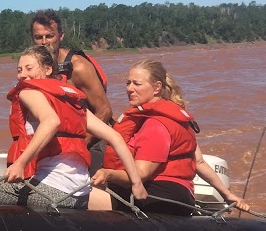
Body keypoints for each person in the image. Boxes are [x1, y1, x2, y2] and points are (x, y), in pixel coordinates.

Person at [0, 46, 145, 209]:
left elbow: (51, 121)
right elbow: (115, 137)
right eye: (19, 70)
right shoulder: (72, 102)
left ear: (48, 69)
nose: (22, 75)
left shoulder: (28, 92)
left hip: (51, 192)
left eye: (29, 68)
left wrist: (20, 164)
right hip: (81, 192)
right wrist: (136, 184)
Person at [89, 59, 249, 215]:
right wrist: (227, 194)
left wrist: (108, 174)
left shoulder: (156, 125)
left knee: (85, 197)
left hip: (163, 195)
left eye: (137, 84)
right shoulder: (175, 117)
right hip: (183, 194)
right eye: (128, 83)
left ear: (157, 87)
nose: (129, 88)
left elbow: (140, 174)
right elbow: (198, 162)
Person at [29, 9, 113, 126]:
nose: (44, 42)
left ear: (61, 36)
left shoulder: (79, 67)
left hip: (92, 138)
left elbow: (104, 111)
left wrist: (80, 143)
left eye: (49, 36)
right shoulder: (31, 69)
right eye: (38, 37)